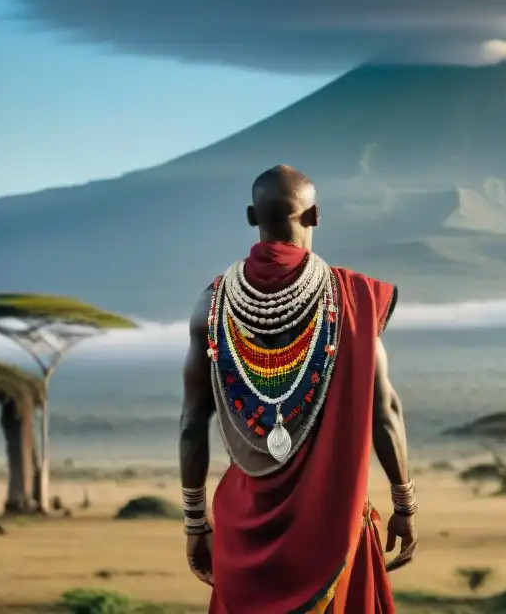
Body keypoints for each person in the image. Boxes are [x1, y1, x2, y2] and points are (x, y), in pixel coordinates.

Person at [179, 164, 417, 613]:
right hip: (333, 524)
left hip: (243, 534)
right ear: (315, 216)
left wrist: (195, 522)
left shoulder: (210, 305)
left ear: (253, 217)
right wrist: (404, 502)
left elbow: (192, 424)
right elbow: (384, 411)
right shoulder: (352, 299)